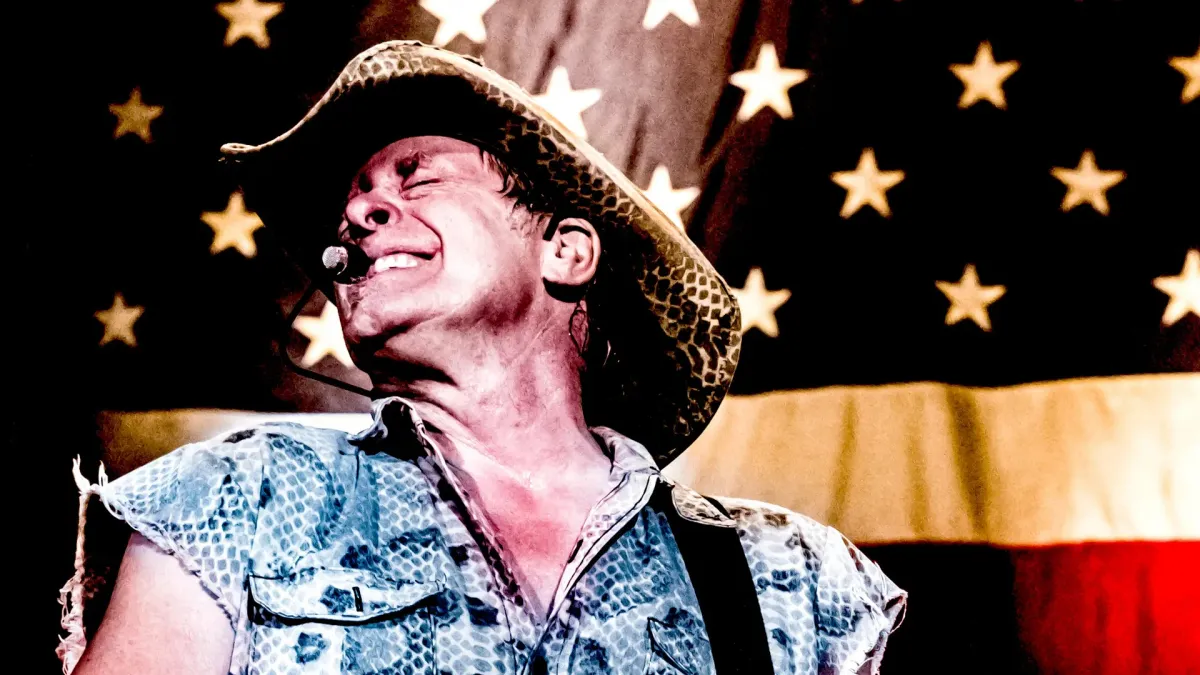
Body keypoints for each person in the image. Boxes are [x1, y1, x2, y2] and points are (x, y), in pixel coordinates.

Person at [59, 41, 905, 675]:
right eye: (352, 203)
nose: (357, 217)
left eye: (415, 177)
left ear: (566, 252)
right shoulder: (234, 498)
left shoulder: (791, 580)